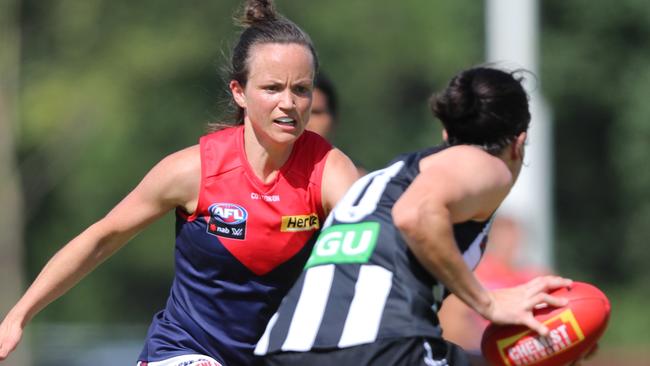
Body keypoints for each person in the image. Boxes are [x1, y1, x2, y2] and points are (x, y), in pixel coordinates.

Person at [0, 1, 360, 365]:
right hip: (184, 350)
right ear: (239, 91)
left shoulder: (329, 169)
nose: (288, 103)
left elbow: (376, 249)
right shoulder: (194, 171)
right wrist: (19, 315)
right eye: (271, 88)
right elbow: (102, 238)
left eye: (301, 90)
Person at [254, 66, 573, 366]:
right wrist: (487, 302)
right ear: (519, 142)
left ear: (446, 132)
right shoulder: (488, 164)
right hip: (380, 347)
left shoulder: (388, 177)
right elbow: (415, 215)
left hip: (285, 346)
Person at [438, 214, 551, 353]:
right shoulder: (472, 275)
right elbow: (452, 326)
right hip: (483, 352)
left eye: (513, 236)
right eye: (503, 235)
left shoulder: (534, 276)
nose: (509, 242)